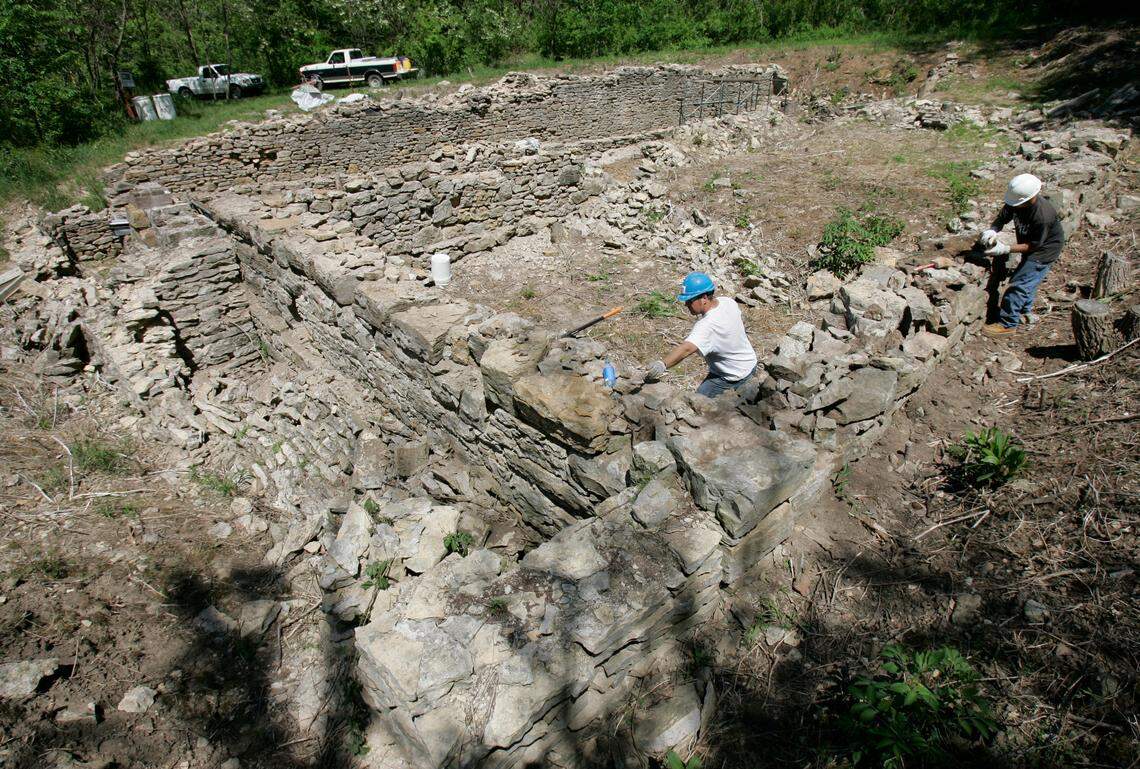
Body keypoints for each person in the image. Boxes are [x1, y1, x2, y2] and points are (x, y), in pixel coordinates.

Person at [645, 271, 757, 397]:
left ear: (704, 298)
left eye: (690, 300)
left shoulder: (707, 325)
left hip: (732, 375)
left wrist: (662, 364)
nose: (686, 304)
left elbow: (686, 349)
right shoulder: (727, 302)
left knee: (699, 402)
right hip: (750, 362)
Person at [979, 173, 1065, 337]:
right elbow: (1001, 218)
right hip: (1031, 245)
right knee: (1028, 280)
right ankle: (1024, 311)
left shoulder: (1042, 215)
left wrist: (1005, 249)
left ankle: (1008, 323)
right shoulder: (1016, 201)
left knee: (1019, 284)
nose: (1013, 207)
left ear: (1029, 199)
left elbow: (1034, 245)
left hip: (1044, 251)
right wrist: (993, 230)